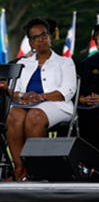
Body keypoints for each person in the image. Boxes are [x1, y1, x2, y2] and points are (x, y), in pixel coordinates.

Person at [6, 17, 77, 181]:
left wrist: (41, 97)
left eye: (43, 35)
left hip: (56, 104)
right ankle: (19, 169)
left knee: (35, 116)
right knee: (13, 115)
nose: (40, 40)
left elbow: (68, 90)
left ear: (50, 36)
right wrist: (25, 96)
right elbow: (13, 91)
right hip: (26, 104)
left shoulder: (64, 62)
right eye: (35, 37)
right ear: (30, 42)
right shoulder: (24, 63)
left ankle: (36, 171)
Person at [77, 21, 99, 157]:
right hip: (88, 106)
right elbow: (78, 89)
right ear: (96, 42)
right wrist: (82, 99)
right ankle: (88, 161)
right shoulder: (86, 64)